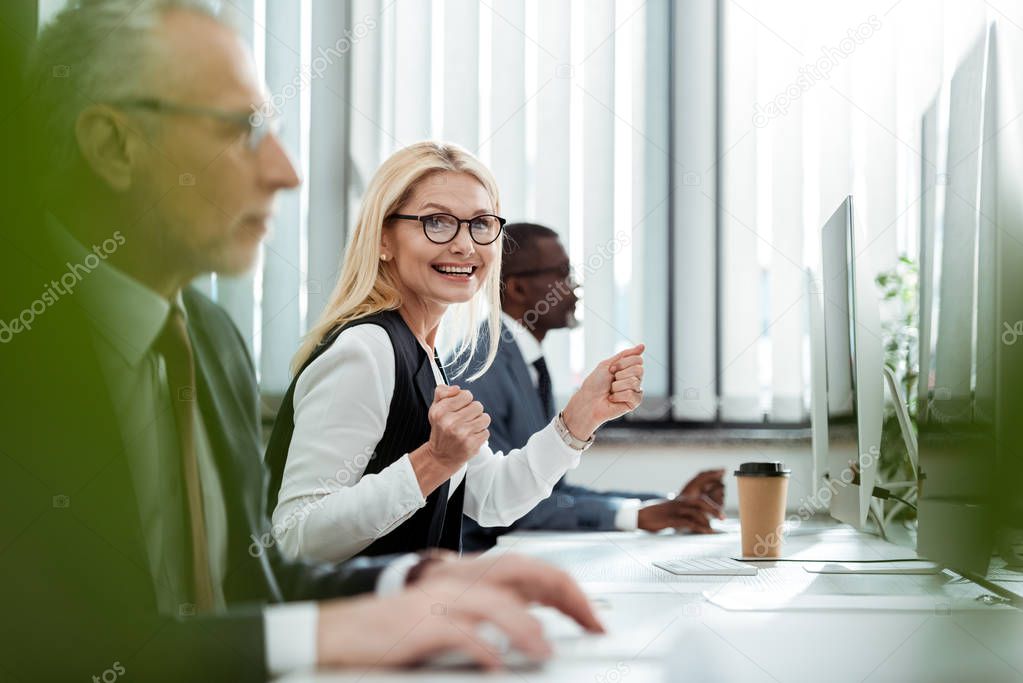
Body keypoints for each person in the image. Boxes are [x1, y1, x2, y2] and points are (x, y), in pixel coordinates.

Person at [0, 2, 601, 680]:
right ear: (113, 145)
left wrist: (404, 582)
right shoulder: (25, 355)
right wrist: (424, 477)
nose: (286, 172)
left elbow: (251, 581)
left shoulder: (209, 336)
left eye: (481, 224)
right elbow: (50, 646)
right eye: (240, 130)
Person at [266, 143, 647, 564]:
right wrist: (433, 461)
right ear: (383, 240)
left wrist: (578, 420)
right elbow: (295, 537)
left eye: (480, 225)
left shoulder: (426, 355)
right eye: (437, 222)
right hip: (348, 625)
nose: (466, 246)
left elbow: (493, 499)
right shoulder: (366, 350)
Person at [458, 223, 726, 551]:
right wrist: (637, 516)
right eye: (562, 273)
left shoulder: (523, 360)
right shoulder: (480, 368)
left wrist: (665, 503)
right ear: (517, 289)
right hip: (477, 562)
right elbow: (508, 504)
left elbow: (551, 492)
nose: (575, 285)